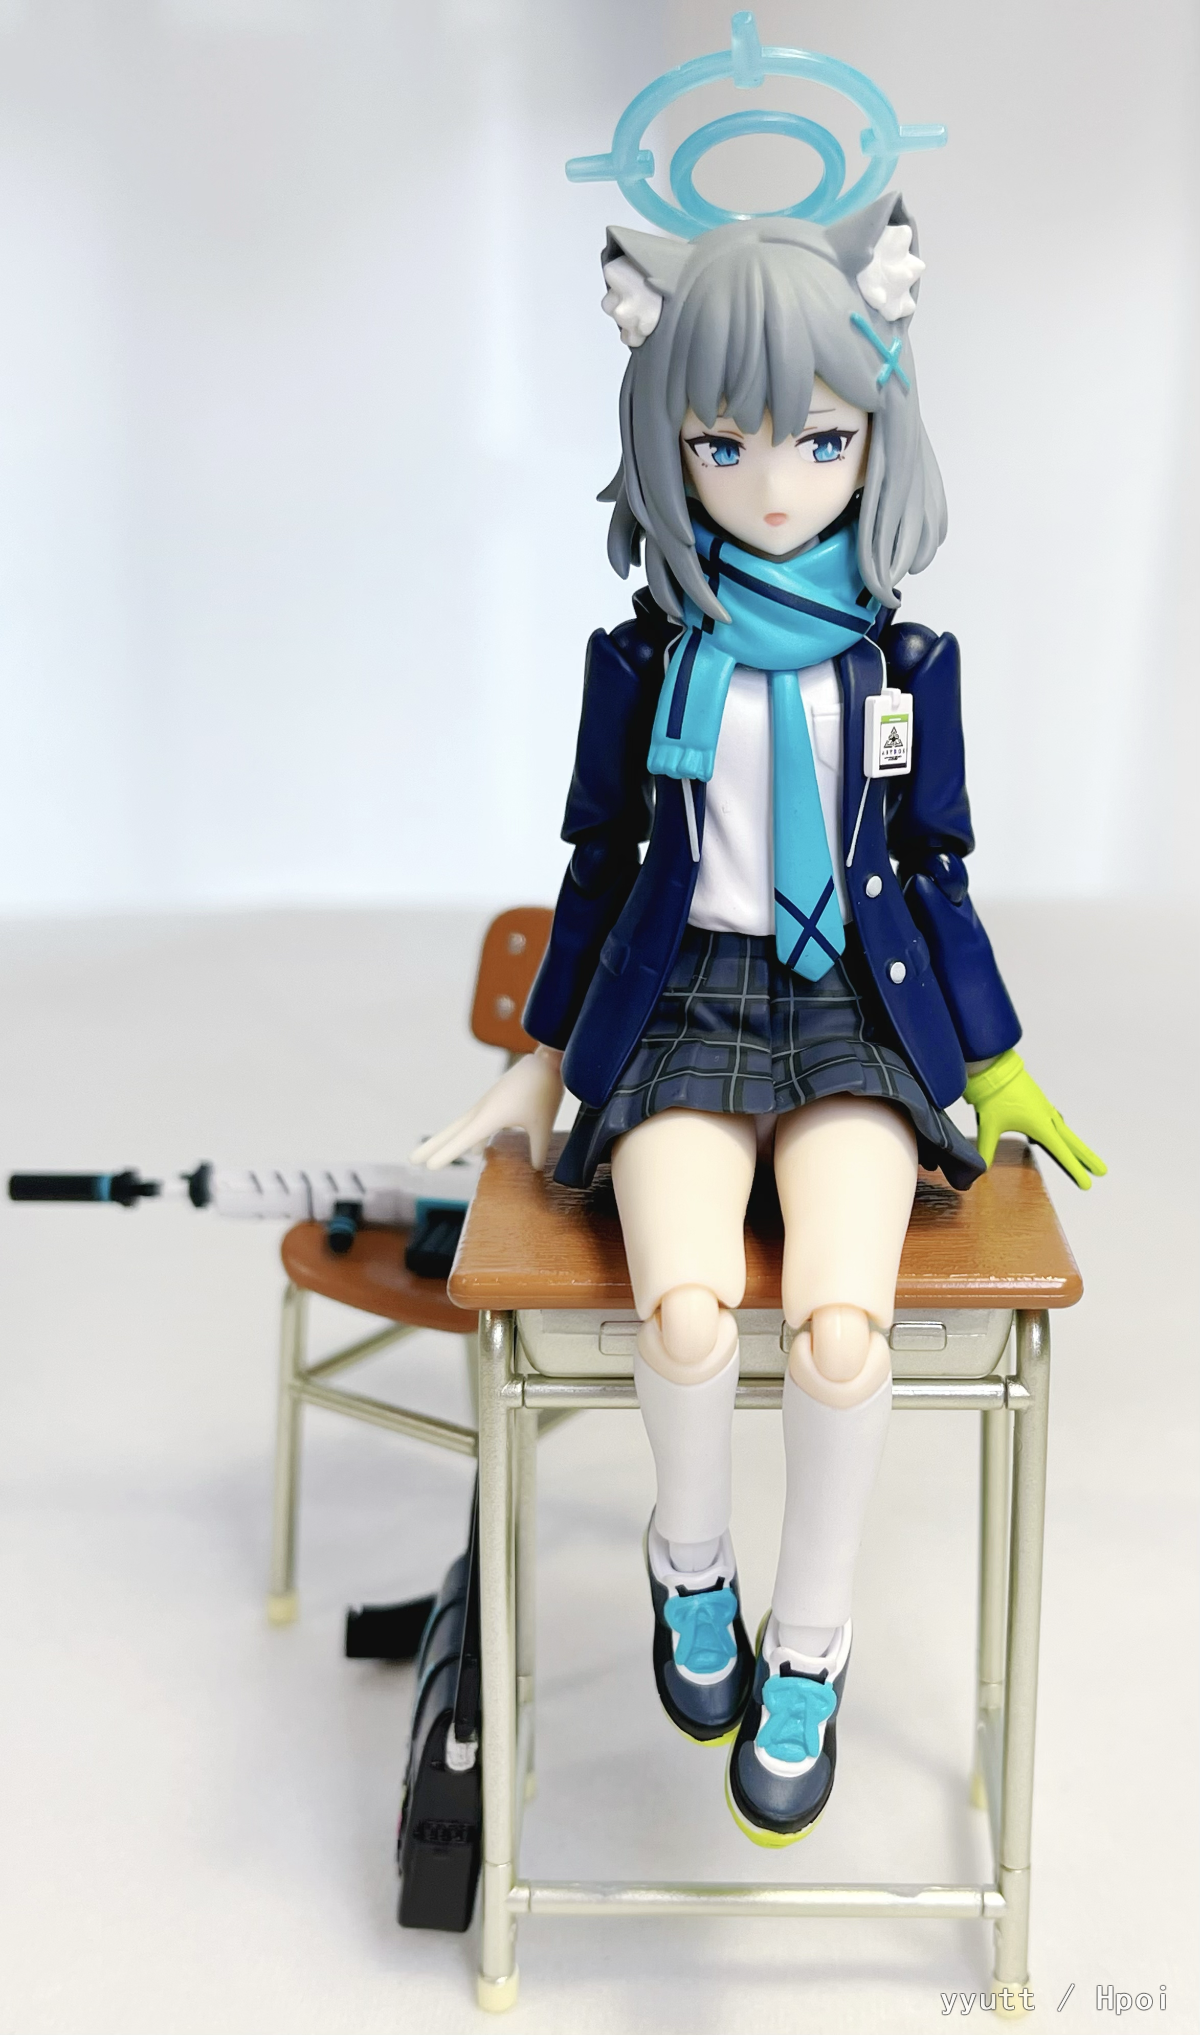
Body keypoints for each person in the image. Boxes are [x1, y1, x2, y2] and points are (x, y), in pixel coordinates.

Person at [415, 198, 1103, 1845]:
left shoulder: (902, 664)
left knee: (845, 1330)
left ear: (877, 432)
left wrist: (994, 1053)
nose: (776, 484)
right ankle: (691, 1562)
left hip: (852, 1007)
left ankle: (812, 1644)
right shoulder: (644, 661)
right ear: (670, 442)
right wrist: (544, 1054)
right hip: (687, 1005)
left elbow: (933, 872)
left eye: (820, 438)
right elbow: (598, 868)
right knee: (686, 1311)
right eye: (724, 444)